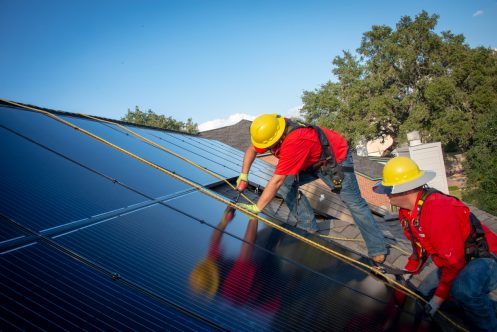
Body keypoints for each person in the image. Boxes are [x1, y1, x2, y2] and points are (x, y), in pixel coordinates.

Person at [236, 113, 387, 262]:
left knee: (354, 203)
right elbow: (252, 149)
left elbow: (277, 181)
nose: (266, 148)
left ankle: (377, 248)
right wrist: (244, 175)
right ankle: (308, 225)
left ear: (277, 137)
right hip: (309, 159)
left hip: (334, 159)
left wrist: (257, 208)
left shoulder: (295, 140)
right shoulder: (271, 130)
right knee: (286, 187)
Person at [373, 156, 497, 331]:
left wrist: (437, 301)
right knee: (423, 294)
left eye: (389, 189)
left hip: (485, 258)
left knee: (463, 291)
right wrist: (406, 275)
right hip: (456, 260)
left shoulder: (438, 210)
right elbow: (419, 251)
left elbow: (455, 264)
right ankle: (478, 307)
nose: (386, 194)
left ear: (405, 189)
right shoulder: (407, 213)